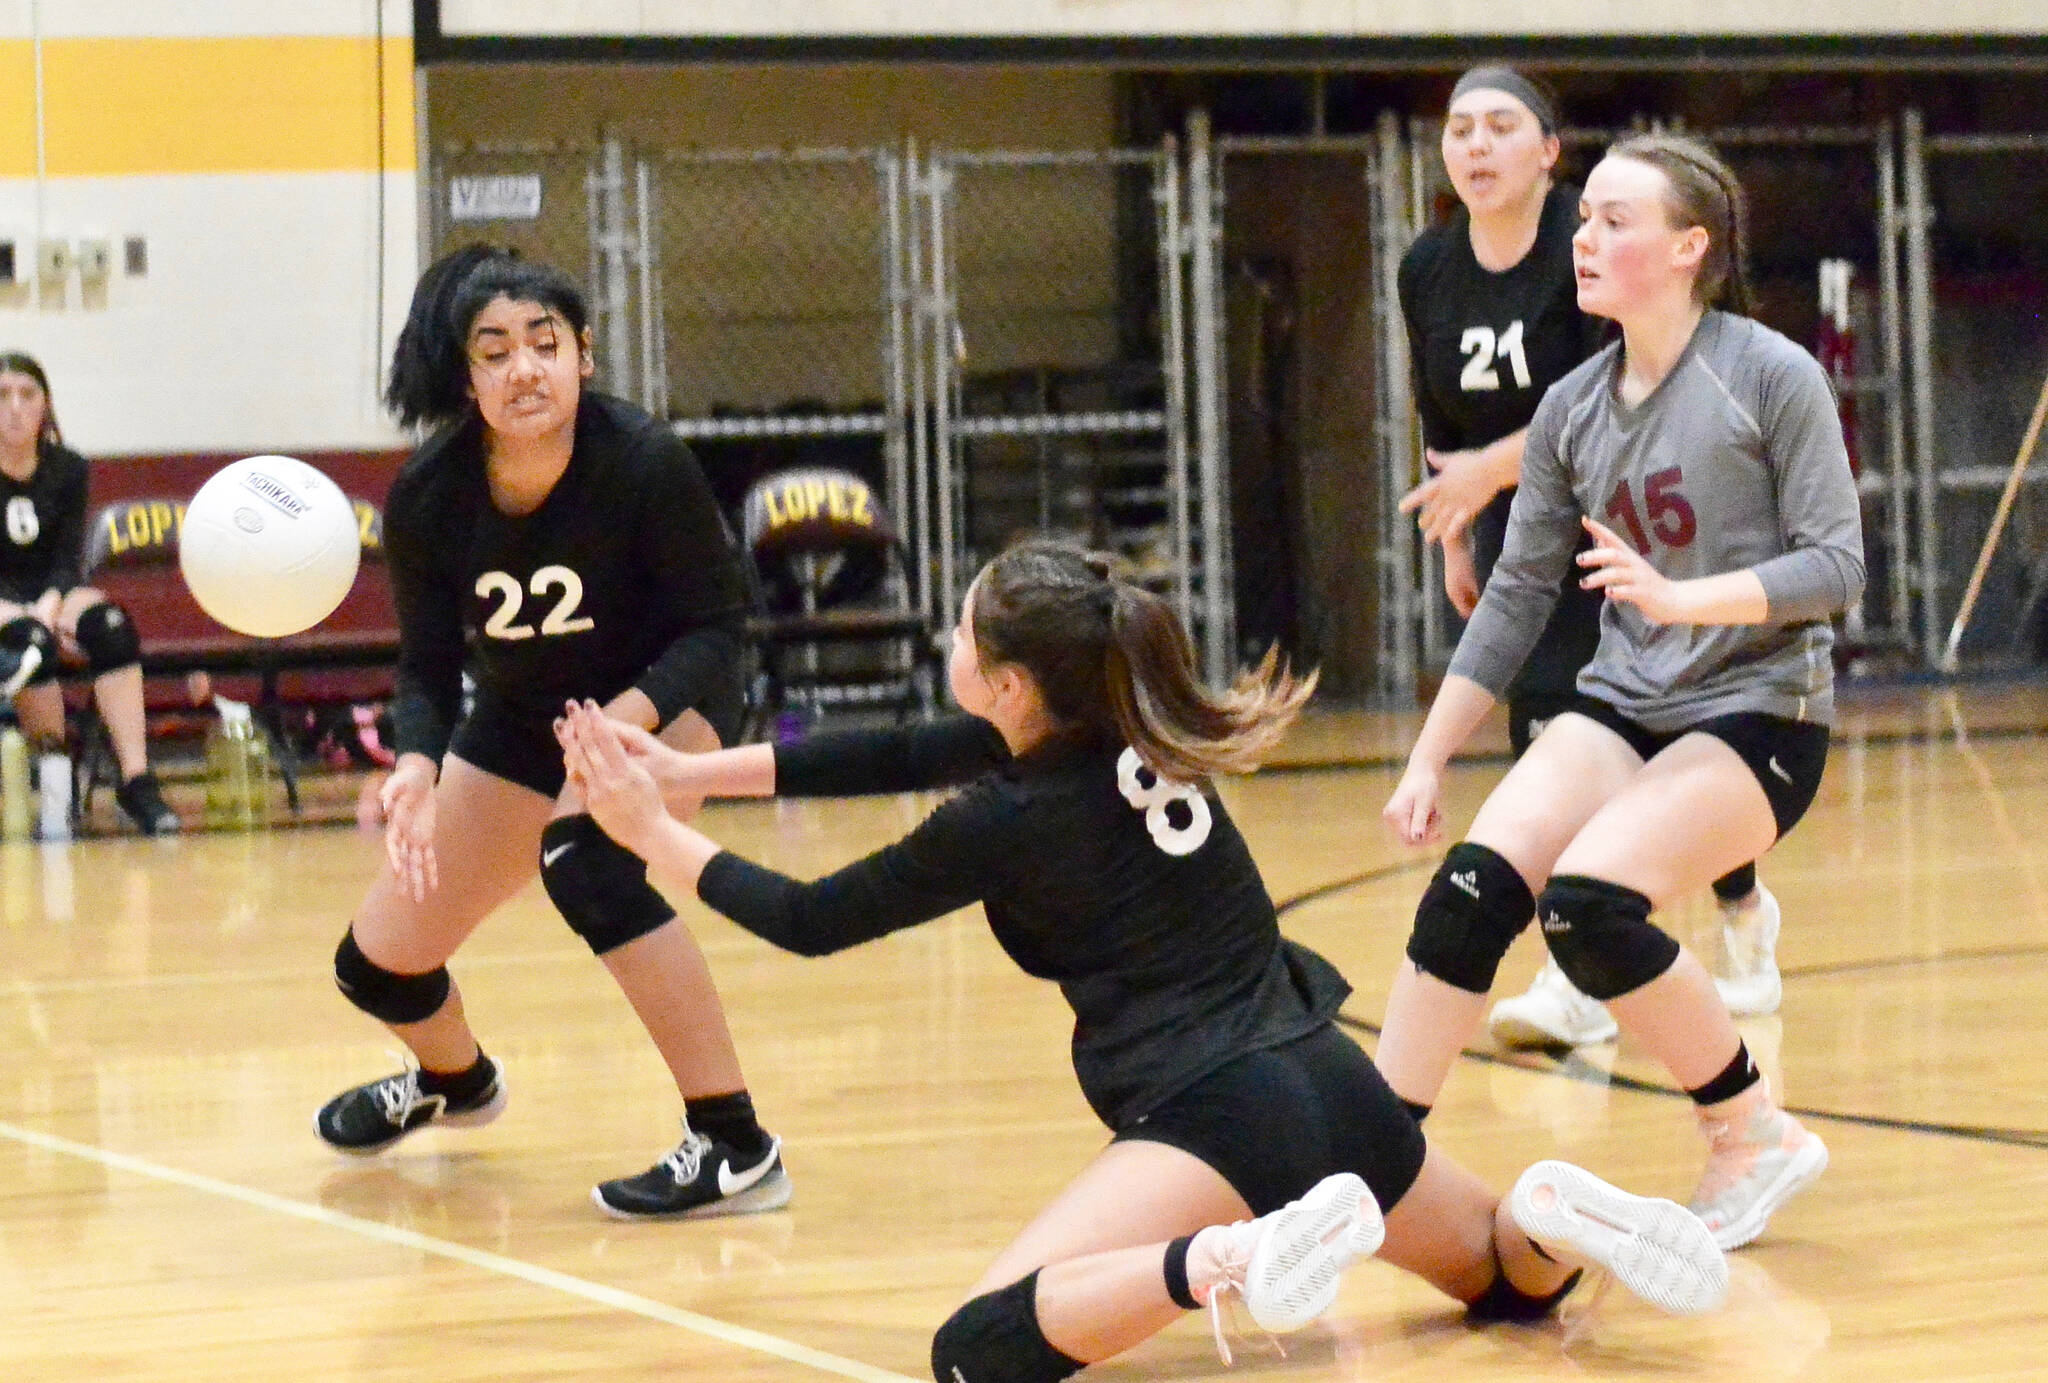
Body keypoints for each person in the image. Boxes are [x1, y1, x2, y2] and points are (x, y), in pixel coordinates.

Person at [555, 539, 1728, 1383]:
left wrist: (649, 833)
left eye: (959, 634)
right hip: (1329, 1076)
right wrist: (685, 777)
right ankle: (1543, 1214)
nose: (944, 644)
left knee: (976, 1347)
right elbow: (905, 749)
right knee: (1511, 1287)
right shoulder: (1128, 724)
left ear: (1010, 685)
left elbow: (809, 920)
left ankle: (1221, 1256)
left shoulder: (1006, 817)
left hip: (1216, 1113)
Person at [1380, 133, 1858, 1251]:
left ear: (1689, 248)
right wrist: (1426, 753)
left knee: (1588, 908)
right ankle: (1363, 1156)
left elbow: (1835, 567)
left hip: (1756, 710)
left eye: (1610, 221)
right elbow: (1513, 596)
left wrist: (1682, 601)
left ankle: (1751, 1135)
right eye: (1581, 217)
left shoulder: (1767, 375)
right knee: (1466, 893)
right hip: (1623, 704)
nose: (1582, 239)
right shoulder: (1569, 408)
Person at [312, 244, 787, 1222]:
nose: (524, 367)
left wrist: (626, 721)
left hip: (665, 705)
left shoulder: (642, 460)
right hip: (525, 720)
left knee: (588, 862)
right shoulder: (429, 497)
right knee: (378, 963)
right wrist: (411, 764)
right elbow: (425, 663)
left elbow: (716, 627)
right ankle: (457, 1082)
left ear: (584, 357)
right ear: (466, 377)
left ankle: (737, 1146)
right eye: (494, 351)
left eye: (544, 342)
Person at [1396, 68, 1783, 1052]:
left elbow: (1617, 393)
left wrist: (1489, 469)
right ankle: (1575, 978)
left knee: (1657, 730)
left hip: (1631, 518)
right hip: (1518, 527)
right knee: (1553, 732)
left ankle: (1740, 911)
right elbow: (1438, 421)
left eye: (1498, 127)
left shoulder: (1590, 244)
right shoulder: (1426, 267)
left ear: (1545, 150)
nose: (1474, 146)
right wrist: (1455, 526)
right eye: (1457, 129)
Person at [0, 353, 180, 835]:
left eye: (26, 395)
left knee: (112, 628)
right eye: (2, 395)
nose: (14, 407)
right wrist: (27, 612)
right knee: (30, 641)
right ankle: (52, 774)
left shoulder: (68, 468)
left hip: (52, 589)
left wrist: (54, 600)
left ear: (45, 406)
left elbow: (68, 555)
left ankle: (136, 781)